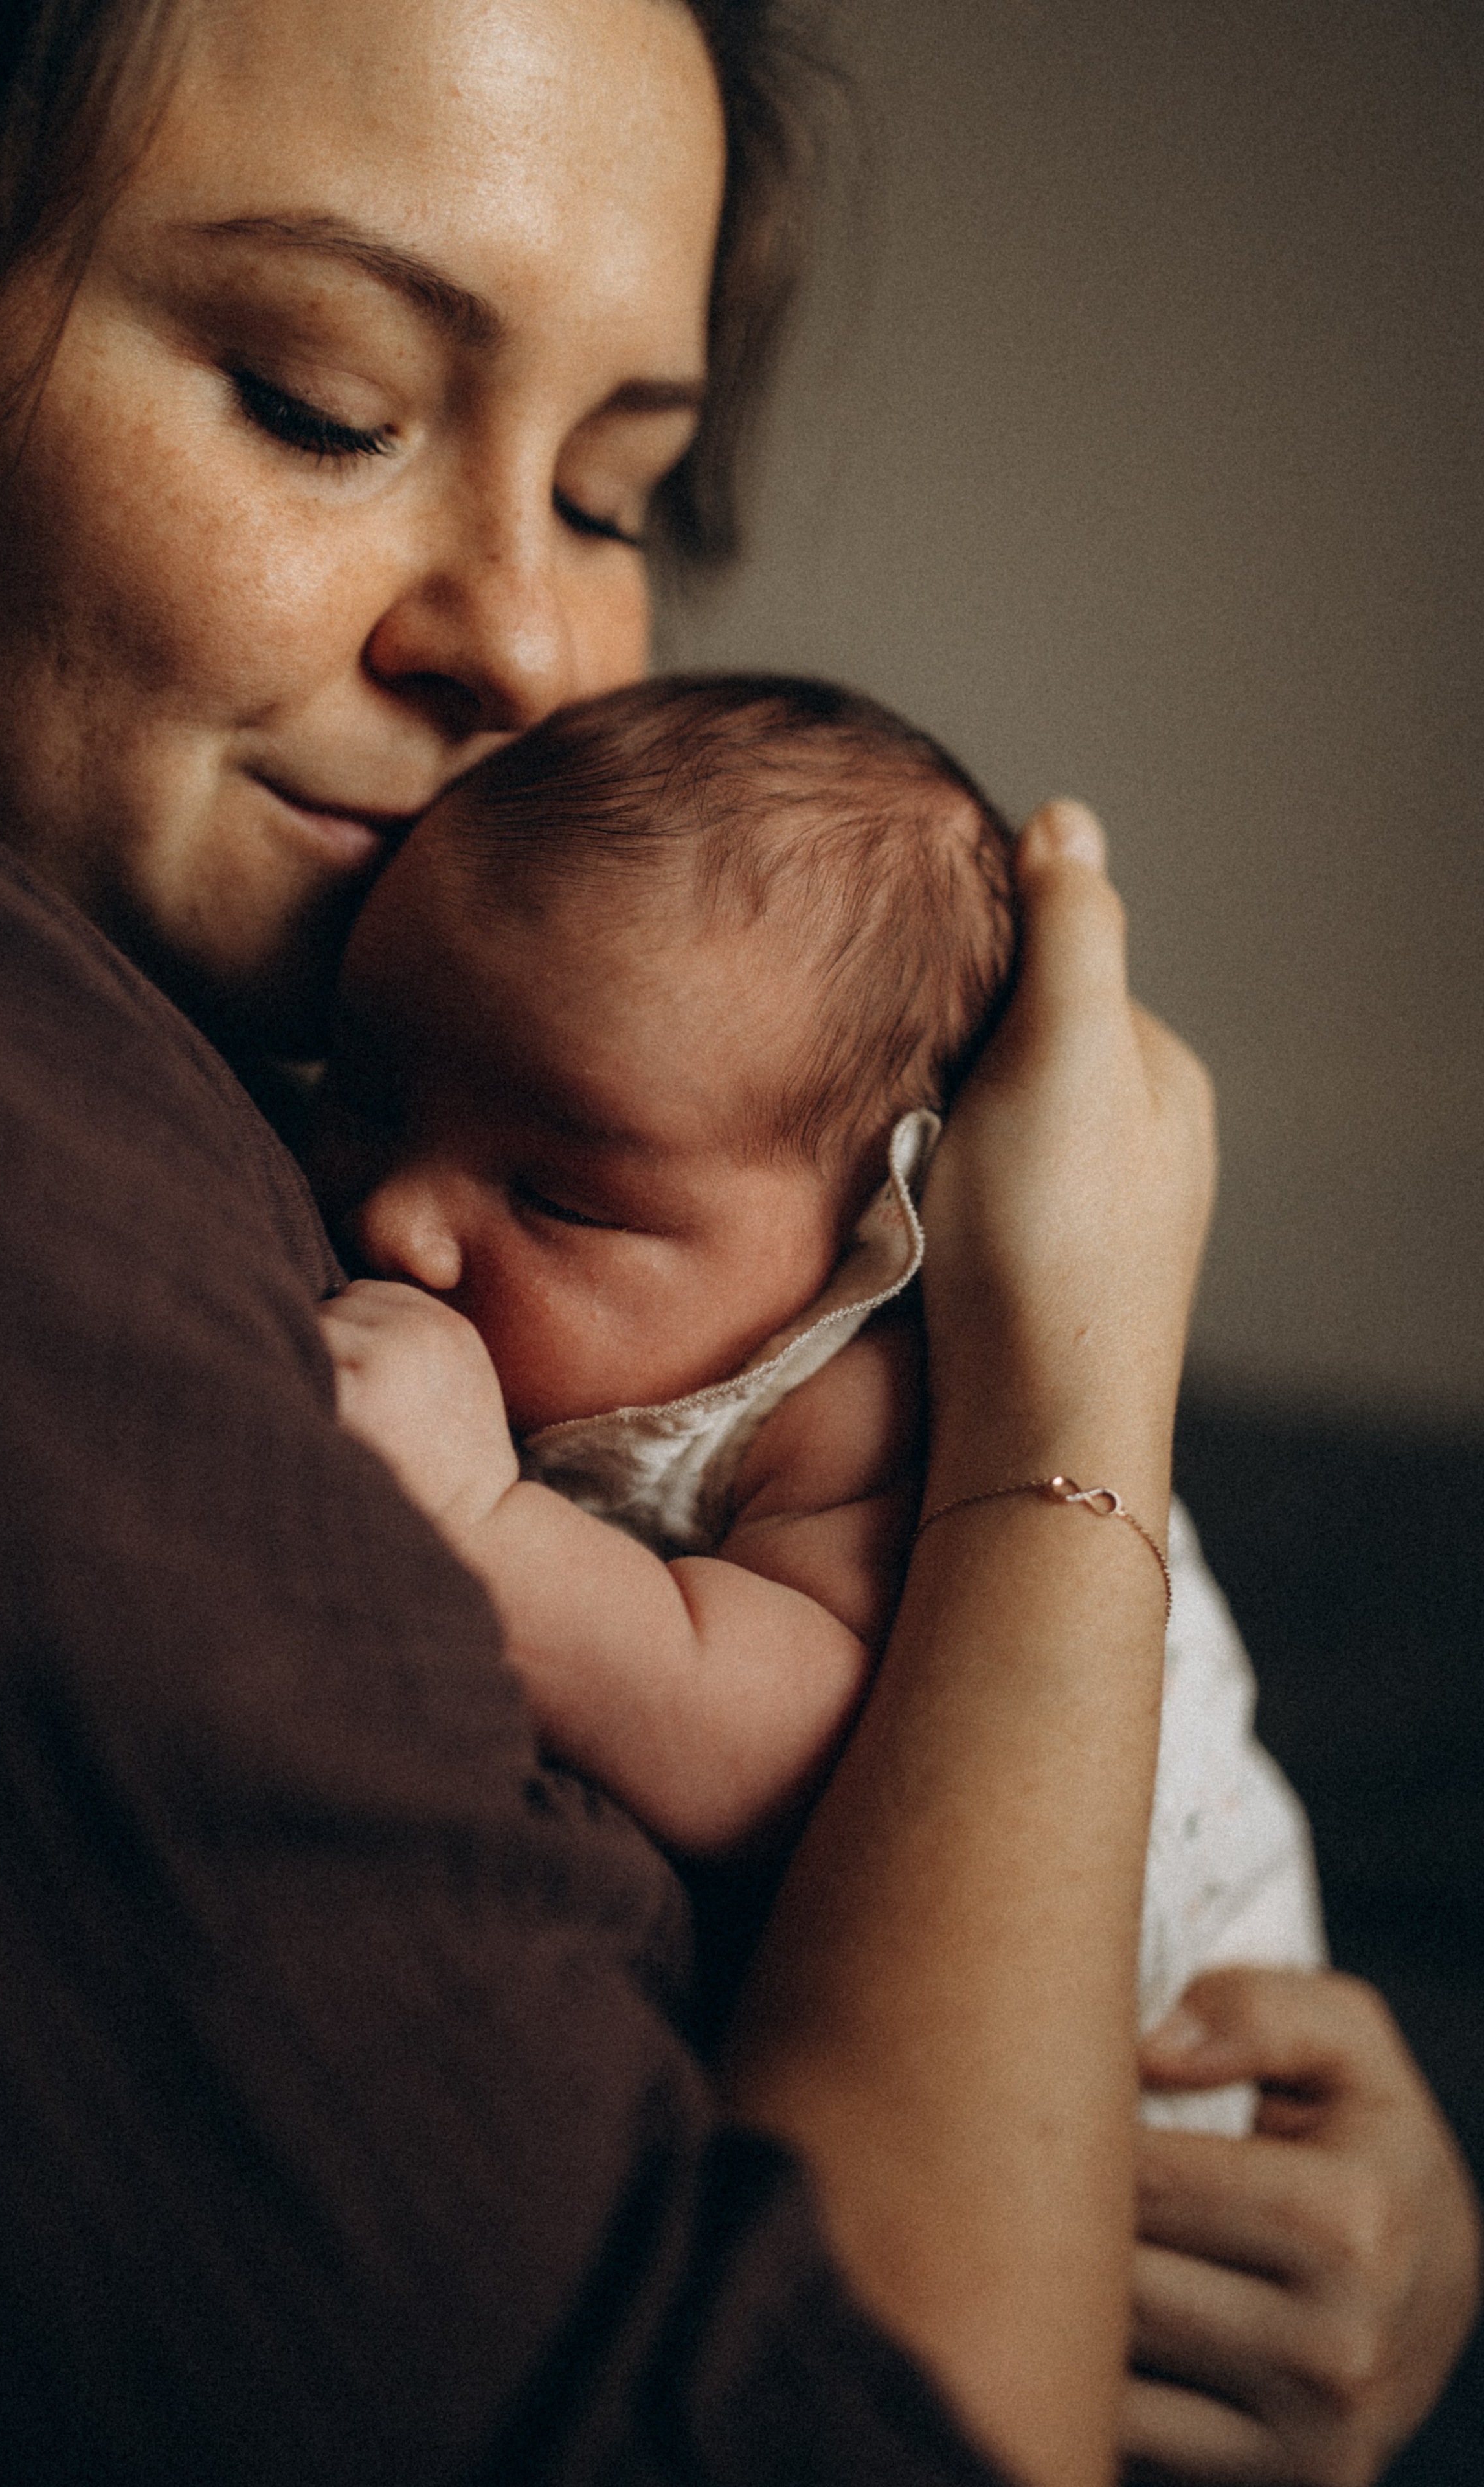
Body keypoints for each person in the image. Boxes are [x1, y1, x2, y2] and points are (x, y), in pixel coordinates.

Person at [0, 4, 1474, 2484]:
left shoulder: (227, 1029)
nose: (521, 644)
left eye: (616, 496)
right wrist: (1079, 1380)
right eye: (320, 397)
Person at [315, 667, 1324, 2135]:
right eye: (366, 1092)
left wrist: (481, 1523)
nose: (397, 1218)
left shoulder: (847, 1396)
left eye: (558, 1195)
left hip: (1137, 2043)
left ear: (870, 1238)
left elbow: (783, 1753)